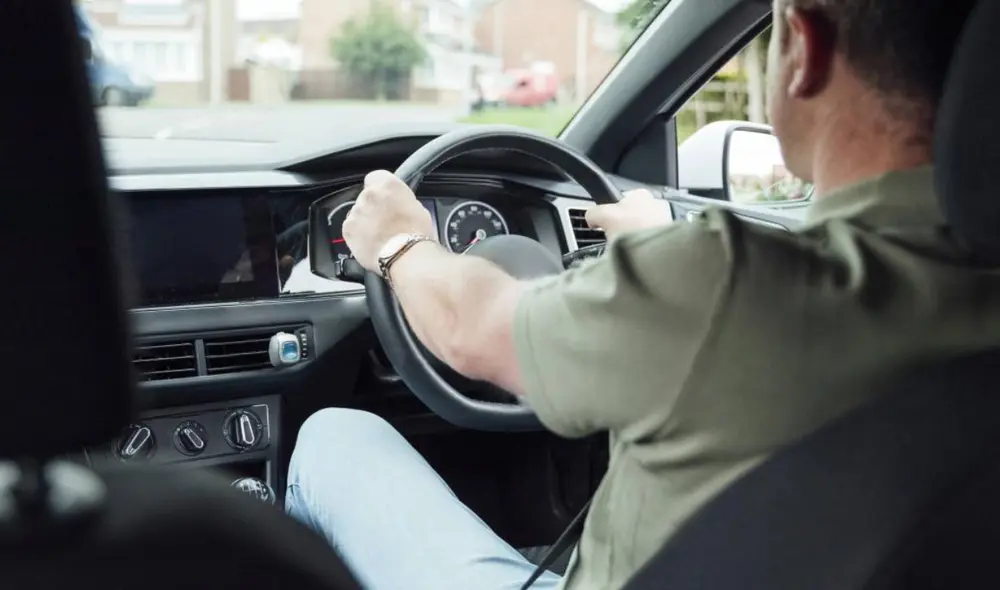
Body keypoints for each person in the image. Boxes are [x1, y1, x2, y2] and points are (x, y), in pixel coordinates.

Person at [285, 1, 983, 588]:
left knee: (330, 438)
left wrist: (400, 243)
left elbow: (469, 329)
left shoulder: (723, 282)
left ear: (801, 46)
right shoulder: (716, 279)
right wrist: (659, 252)